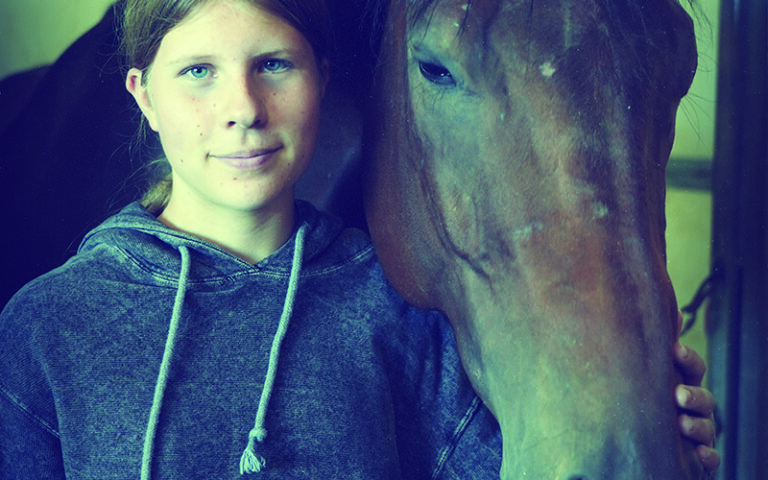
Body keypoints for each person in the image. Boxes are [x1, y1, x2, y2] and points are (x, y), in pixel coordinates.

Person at [0, 0, 718, 478]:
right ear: (144, 96)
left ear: (323, 79)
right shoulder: (47, 326)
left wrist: (643, 438)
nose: (243, 108)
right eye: (198, 73)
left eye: (274, 64)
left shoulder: (400, 318)